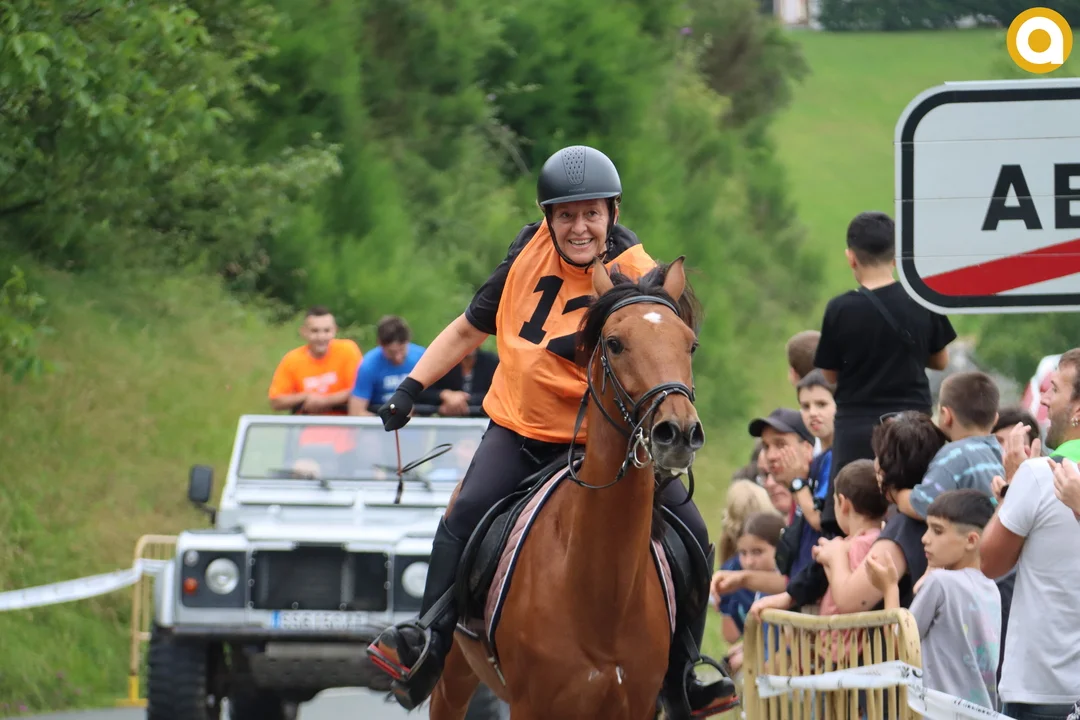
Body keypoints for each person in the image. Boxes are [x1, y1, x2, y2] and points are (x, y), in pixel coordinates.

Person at [365, 145, 736, 716]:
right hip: (524, 429)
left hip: (606, 443)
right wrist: (412, 387)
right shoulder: (522, 259)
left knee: (692, 529)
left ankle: (686, 668)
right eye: (566, 215)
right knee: (466, 512)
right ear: (548, 218)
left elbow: (665, 353)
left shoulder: (639, 274)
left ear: (612, 213)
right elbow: (467, 330)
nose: (579, 227)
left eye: (591, 213)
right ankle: (429, 640)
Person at [981, 348, 1080, 719]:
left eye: (1054, 388)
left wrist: (1013, 486)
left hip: (1041, 688)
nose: (1044, 398)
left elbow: (989, 562)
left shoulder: (1038, 475)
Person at [867, 489, 1001, 712]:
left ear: (971, 540)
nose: (925, 538)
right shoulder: (990, 587)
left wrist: (889, 588)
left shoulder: (940, 583)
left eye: (937, 531)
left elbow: (898, 646)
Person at [268, 306, 362, 415]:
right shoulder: (292, 359)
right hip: (307, 423)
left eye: (327, 331)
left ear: (335, 330)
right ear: (304, 332)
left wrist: (325, 401)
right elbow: (276, 401)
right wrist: (306, 397)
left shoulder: (348, 350)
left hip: (345, 422)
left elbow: (361, 390)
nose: (321, 337)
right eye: (314, 331)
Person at [348, 315, 425, 416]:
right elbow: (356, 412)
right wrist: (388, 419)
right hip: (381, 418)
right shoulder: (368, 366)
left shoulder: (422, 357)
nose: (398, 357)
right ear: (380, 344)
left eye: (402, 350)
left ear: (408, 341)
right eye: (392, 352)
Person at [417, 346, 499, 416]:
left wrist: (464, 400)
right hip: (442, 422)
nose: (469, 343)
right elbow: (421, 391)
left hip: (482, 420)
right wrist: (443, 395)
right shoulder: (441, 361)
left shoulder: (491, 362)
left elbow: (498, 394)